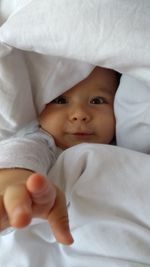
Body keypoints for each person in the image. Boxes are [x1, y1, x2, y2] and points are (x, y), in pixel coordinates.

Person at [0, 66, 120, 245]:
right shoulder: (43, 143)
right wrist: (15, 185)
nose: (80, 115)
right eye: (61, 100)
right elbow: (20, 155)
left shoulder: (125, 145)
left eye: (97, 101)